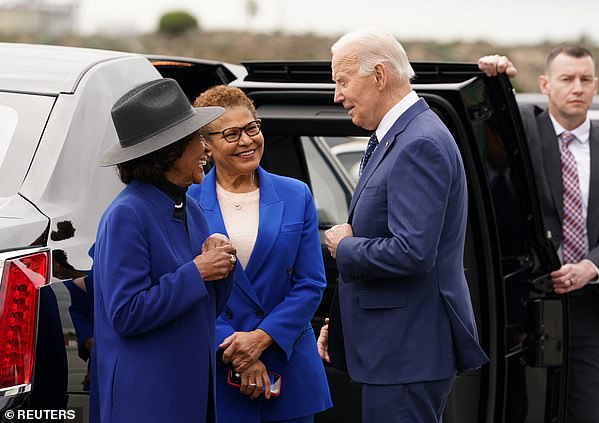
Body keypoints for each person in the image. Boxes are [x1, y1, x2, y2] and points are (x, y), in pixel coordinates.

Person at [317, 28, 488, 423]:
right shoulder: (404, 135)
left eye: (342, 81)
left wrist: (343, 247)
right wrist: (342, 323)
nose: (337, 95)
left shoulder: (418, 143)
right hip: (397, 350)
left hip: (406, 354)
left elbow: (412, 252)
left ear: (378, 75)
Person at [478, 45, 599, 423]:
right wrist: (493, 78)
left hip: (597, 306)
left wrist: (590, 267)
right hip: (531, 305)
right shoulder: (526, 134)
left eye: (585, 79)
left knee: (593, 414)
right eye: (567, 79)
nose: (577, 87)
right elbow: (489, 127)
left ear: (595, 86)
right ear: (546, 84)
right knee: (527, 410)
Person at [91, 78, 236, 423]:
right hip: (146, 399)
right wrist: (198, 271)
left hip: (190, 391)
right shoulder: (127, 214)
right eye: (197, 140)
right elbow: (127, 314)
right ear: (168, 151)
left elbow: (208, 307)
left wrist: (222, 262)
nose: (207, 149)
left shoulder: (191, 207)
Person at [188, 85, 332, 423]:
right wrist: (240, 351)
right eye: (232, 134)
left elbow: (311, 282)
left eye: (252, 128)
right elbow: (187, 288)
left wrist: (262, 339)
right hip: (218, 365)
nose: (247, 141)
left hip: (287, 365)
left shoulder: (296, 194)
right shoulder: (188, 201)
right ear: (206, 144)